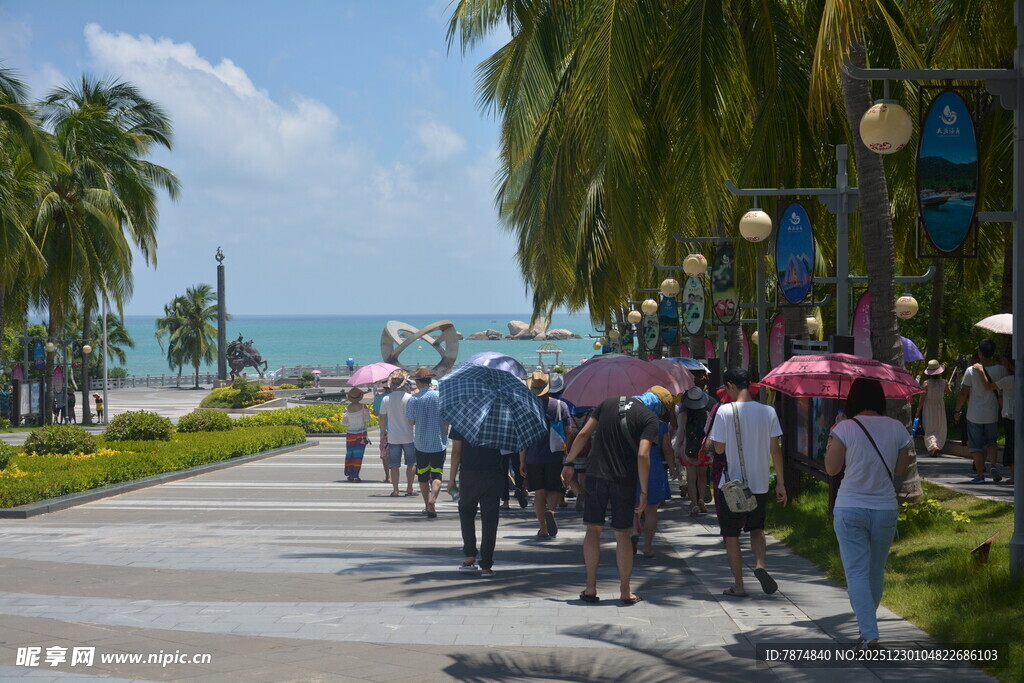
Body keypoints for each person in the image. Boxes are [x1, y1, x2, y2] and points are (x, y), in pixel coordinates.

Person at [562, 385, 675, 605]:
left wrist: (569, 462)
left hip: (595, 475)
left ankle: (590, 588)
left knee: (593, 530)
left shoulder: (608, 402)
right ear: (660, 406)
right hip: (624, 480)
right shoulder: (650, 419)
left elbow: (584, 433)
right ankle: (625, 591)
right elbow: (643, 454)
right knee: (622, 534)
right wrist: (643, 491)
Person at [825, 377, 912, 650]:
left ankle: (869, 633)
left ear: (853, 399)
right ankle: (868, 627)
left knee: (857, 572)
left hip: (850, 506)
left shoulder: (845, 428)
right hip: (885, 508)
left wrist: (832, 436)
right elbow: (901, 471)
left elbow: (831, 468)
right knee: (875, 571)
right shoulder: (898, 428)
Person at [709, 368, 786, 598]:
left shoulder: (724, 412)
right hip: (760, 482)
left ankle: (739, 585)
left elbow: (720, 449)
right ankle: (760, 564)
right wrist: (781, 483)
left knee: (731, 536)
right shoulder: (768, 412)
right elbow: (775, 451)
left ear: (731, 386)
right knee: (757, 529)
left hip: (732, 485)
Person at [520, 371, 573, 539]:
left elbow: (524, 436)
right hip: (554, 454)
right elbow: (569, 431)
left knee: (539, 493)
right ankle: (551, 511)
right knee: (555, 488)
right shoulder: (560, 406)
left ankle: (542, 528)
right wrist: (566, 448)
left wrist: (522, 461)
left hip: (533, 456)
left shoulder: (527, 407)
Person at [449, 425, 504, 577]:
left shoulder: (461, 419)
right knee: (490, 519)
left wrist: (452, 479)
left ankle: (470, 555)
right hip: (493, 473)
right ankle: (486, 565)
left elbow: (456, 451)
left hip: (468, 474)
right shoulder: (499, 418)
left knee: (466, 513)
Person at [955, 339, 1008, 483]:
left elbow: (963, 393)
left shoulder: (971, 371)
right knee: (991, 442)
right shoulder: (1001, 370)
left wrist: (957, 410)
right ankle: (992, 465)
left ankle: (979, 475)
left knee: (976, 446)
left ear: (979, 352)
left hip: (974, 415)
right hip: (992, 414)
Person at [406, 366, 447, 518]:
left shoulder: (413, 399)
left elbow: (410, 422)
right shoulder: (440, 396)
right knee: (437, 475)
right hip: (438, 442)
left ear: (418, 382)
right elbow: (446, 418)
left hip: (421, 443)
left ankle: (427, 505)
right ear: (430, 381)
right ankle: (433, 500)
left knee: (423, 476)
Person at [636, 409, 673, 559]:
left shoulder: (634, 424)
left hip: (636, 466)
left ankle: (633, 533)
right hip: (655, 467)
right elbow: (668, 449)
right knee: (652, 511)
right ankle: (647, 546)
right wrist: (672, 467)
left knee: (635, 508)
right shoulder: (661, 426)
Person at [676, 384, 714, 516]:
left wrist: (676, 449)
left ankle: (694, 504)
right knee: (702, 476)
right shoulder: (707, 413)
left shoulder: (683, 415)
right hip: (703, 449)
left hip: (688, 449)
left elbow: (680, 433)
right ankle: (702, 499)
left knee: (691, 478)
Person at [381, 370, 417, 496]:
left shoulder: (386, 399)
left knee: (394, 464)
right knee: (411, 463)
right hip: (409, 435)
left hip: (393, 437)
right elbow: (414, 418)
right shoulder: (411, 398)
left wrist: (382, 432)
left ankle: (395, 490)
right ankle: (410, 488)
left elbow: (382, 418)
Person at [916, 360, 948, 457]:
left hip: (929, 407)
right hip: (940, 407)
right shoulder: (944, 382)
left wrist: (918, 410)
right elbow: (949, 392)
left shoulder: (926, 384)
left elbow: (922, 398)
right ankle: (937, 445)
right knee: (939, 427)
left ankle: (933, 446)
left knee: (929, 427)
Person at [341, 387, 371, 482]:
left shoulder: (347, 408)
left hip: (350, 434)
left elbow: (345, 423)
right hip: (361, 435)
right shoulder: (363, 407)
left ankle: (349, 474)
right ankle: (356, 475)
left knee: (350, 454)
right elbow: (367, 419)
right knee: (358, 455)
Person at [373, 386, 390, 482]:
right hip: (397, 429)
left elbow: (375, 413)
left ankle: (388, 476)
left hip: (384, 430)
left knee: (385, 454)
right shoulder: (396, 397)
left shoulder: (379, 398)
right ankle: (395, 475)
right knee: (396, 454)